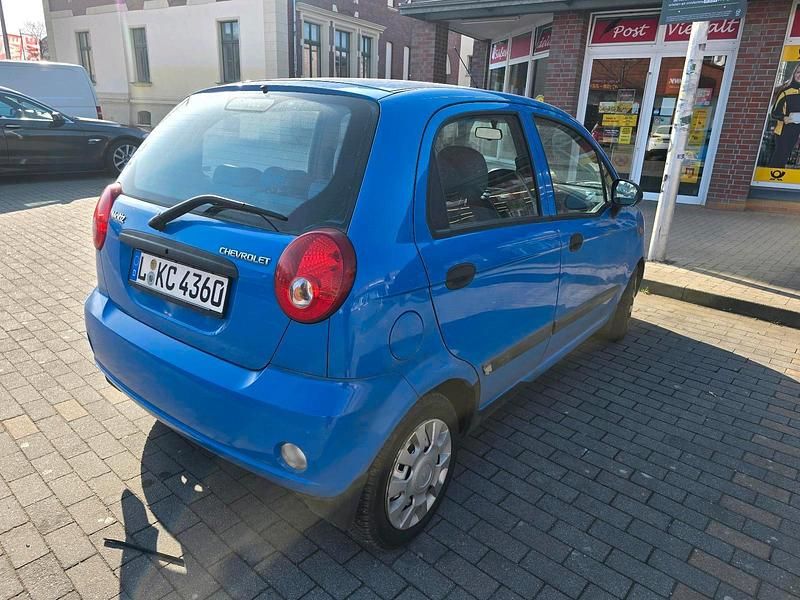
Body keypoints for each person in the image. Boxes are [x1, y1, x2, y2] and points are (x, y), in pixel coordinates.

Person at [769, 63, 800, 168]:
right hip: (782, 131)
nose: (799, 75)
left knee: (784, 158)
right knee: (779, 158)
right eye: (798, 72)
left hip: (795, 132)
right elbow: (774, 113)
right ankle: (771, 180)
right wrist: (784, 118)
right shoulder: (785, 91)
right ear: (794, 73)